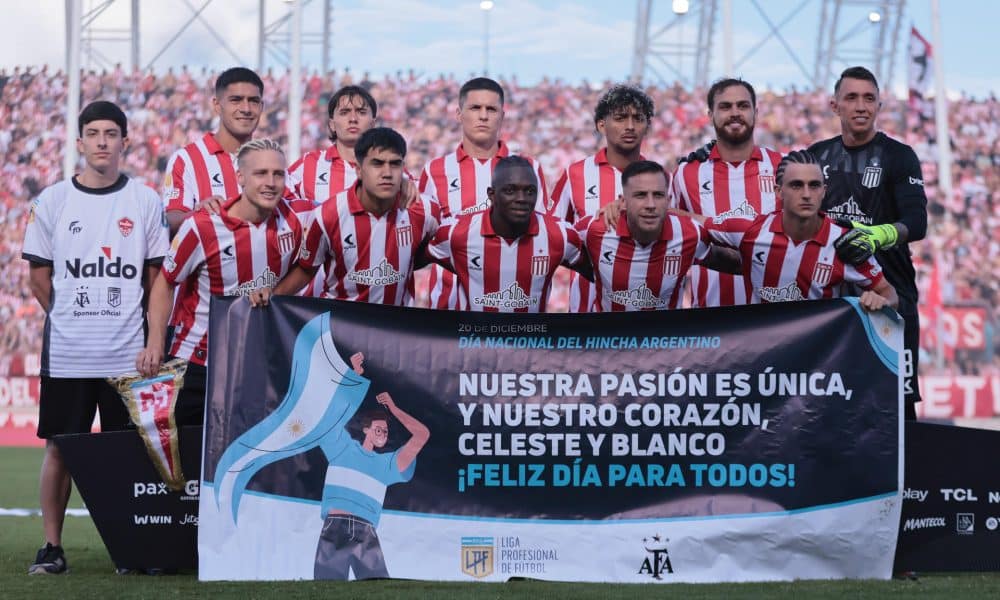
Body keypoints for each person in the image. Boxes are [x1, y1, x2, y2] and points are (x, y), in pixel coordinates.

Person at [21, 101, 169, 575]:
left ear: (125, 142)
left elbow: (154, 281)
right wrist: (73, 319)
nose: (103, 141)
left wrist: (149, 336)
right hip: (68, 352)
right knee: (60, 447)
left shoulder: (145, 200)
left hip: (128, 356)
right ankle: (51, 547)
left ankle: (132, 550)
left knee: (128, 452)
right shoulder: (51, 201)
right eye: (94, 133)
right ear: (80, 143)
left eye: (112, 133)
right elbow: (39, 279)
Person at [135, 139, 312, 427]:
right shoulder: (202, 226)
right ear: (240, 177)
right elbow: (166, 282)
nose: (270, 182)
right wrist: (155, 342)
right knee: (186, 467)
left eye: (278, 174)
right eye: (261, 173)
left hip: (255, 366)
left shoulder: (299, 218)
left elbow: (309, 262)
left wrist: (277, 293)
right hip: (196, 364)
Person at [808, 66, 927, 419]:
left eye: (869, 98)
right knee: (830, 403)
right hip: (832, 301)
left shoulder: (899, 155)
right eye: (851, 98)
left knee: (897, 404)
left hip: (892, 294)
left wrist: (878, 235)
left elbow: (917, 223)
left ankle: (905, 477)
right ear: (835, 105)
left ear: (879, 106)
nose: (861, 106)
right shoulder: (816, 155)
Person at [702, 150, 897, 310]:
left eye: (814, 186)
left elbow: (888, 293)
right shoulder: (751, 231)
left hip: (817, 355)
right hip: (761, 351)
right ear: (779, 192)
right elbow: (693, 224)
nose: (806, 194)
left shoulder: (845, 243)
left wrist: (882, 302)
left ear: (823, 191)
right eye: (796, 185)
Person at [418, 77, 548, 309]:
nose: (483, 116)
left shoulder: (529, 168)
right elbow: (424, 242)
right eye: (475, 108)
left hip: (515, 310)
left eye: (491, 109)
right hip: (450, 317)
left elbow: (542, 234)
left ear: (502, 115)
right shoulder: (436, 170)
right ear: (459, 114)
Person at [275, 127, 440, 305]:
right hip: (340, 324)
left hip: (396, 327)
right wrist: (269, 299)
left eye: (395, 163)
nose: (387, 173)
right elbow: (306, 269)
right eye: (377, 163)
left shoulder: (424, 210)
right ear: (359, 170)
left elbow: (436, 251)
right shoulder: (327, 215)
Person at [670, 78, 783, 308]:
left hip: (774, 319)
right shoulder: (686, 174)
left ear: (756, 112)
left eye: (742, 106)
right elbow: (673, 237)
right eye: (725, 106)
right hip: (711, 321)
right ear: (710, 114)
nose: (735, 113)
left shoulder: (782, 168)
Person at [427, 156, 588, 312]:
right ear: (491, 194)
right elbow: (411, 262)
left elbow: (599, 273)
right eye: (510, 190)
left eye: (530, 191)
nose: (521, 198)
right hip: (473, 338)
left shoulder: (560, 235)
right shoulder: (457, 233)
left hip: (530, 339)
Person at [550, 84, 656, 312]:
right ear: (601, 125)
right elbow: (552, 236)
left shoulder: (660, 179)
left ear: (647, 126)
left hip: (646, 314)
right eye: (620, 118)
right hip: (587, 315)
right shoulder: (576, 174)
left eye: (638, 118)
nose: (629, 126)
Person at [577, 160, 737, 311]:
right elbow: (559, 245)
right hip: (611, 338)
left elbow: (736, 262)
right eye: (640, 195)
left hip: (667, 338)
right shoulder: (595, 229)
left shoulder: (689, 233)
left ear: (668, 201)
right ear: (623, 202)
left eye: (658, 195)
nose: (651, 205)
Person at [161, 67, 265, 235]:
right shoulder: (186, 159)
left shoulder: (269, 161)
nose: (246, 108)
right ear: (217, 105)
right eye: (236, 100)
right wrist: (199, 214)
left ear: (261, 106)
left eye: (253, 101)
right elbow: (170, 221)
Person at [286, 85, 376, 203]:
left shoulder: (391, 166)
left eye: (361, 112)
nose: (353, 118)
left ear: (373, 123)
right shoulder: (308, 164)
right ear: (332, 124)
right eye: (344, 112)